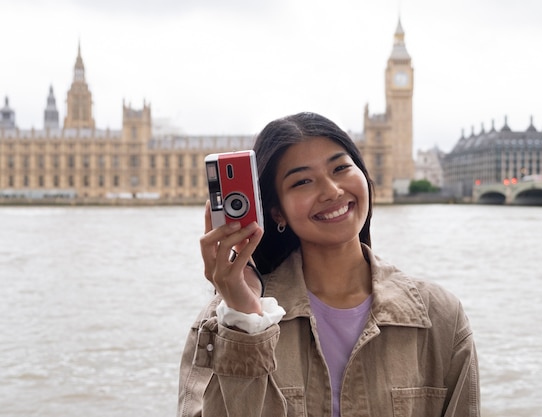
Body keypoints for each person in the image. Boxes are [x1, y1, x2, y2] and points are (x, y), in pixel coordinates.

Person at [178, 112, 480, 417]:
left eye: (340, 168)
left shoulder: (440, 316)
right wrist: (245, 322)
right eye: (302, 181)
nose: (332, 190)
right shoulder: (222, 323)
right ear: (277, 212)